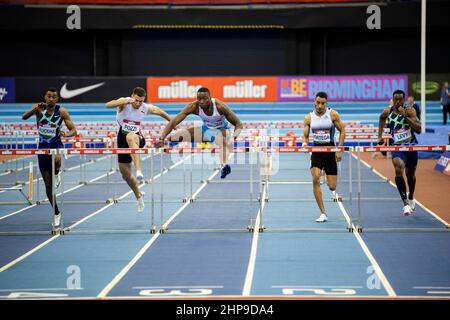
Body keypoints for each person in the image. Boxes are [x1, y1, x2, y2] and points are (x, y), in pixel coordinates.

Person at [106, 87, 171, 212]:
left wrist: (173, 123)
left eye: (141, 101)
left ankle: (139, 170)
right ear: (132, 96)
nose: (138, 103)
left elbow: (161, 112)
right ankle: (139, 196)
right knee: (125, 175)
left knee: (131, 137)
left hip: (137, 137)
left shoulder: (145, 108)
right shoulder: (124, 103)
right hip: (121, 138)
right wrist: (123, 102)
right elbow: (108, 105)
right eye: (136, 100)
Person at [156, 87, 243, 179]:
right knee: (174, 137)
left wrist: (233, 138)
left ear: (210, 98)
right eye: (199, 99)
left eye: (204, 98)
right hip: (206, 130)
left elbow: (239, 124)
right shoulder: (193, 106)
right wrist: (162, 138)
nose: (201, 101)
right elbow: (174, 122)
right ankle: (171, 144)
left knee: (223, 142)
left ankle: (224, 166)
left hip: (222, 130)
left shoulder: (220, 106)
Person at [22, 87, 77, 228]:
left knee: (57, 156)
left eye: (54, 97)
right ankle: (56, 212)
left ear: (57, 99)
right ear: (45, 97)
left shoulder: (62, 111)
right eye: (49, 96)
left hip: (57, 144)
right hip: (42, 148)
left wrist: (67, 134)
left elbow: (73, 130)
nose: (51, 99)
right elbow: (24, 117)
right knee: (48, 185)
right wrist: (35, 108)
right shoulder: (39, 110)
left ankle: (57, 171)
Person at [302, 91, 346, 223]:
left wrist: (338, 149)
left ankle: (326, 173)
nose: (320, 106)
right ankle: (323, 213)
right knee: (315, 178)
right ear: (314, 102)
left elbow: (342, 130)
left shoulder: (332, 114)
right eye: (318, 103)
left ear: (326, 103)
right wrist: (305, 143)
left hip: (330, 150)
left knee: (332, 187)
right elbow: (305, 135)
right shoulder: (308, 118)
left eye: (323, 103)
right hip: (316, 150)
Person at [378, 89, 421, 216]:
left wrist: (405, 116)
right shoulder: (388, 111)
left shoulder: (410, 111)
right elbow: (381, 119)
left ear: (404, 99)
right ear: (392, 99)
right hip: (396, 147)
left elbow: (418, 129)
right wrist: (379, 136)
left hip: (411, 147)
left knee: (410, 175)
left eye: (400, 99)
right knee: (398, 168)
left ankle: (411, 196)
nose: (397, 102)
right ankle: (406, 204)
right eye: (395, 99)